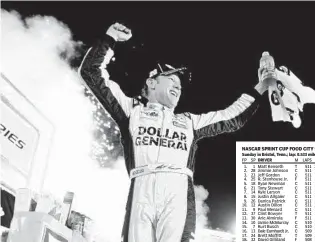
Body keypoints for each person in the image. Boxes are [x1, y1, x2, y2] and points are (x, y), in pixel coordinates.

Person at [79, 22, 269, 242]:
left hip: (177, 189)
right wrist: (109, 39)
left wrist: (261, 87)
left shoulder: (188, 122)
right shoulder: (132, 110)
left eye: (180, 86)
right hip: (141, 185)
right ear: (151, 82)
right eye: (171, 80)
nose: (178, 88)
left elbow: (231, 117)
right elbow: (91, 73)